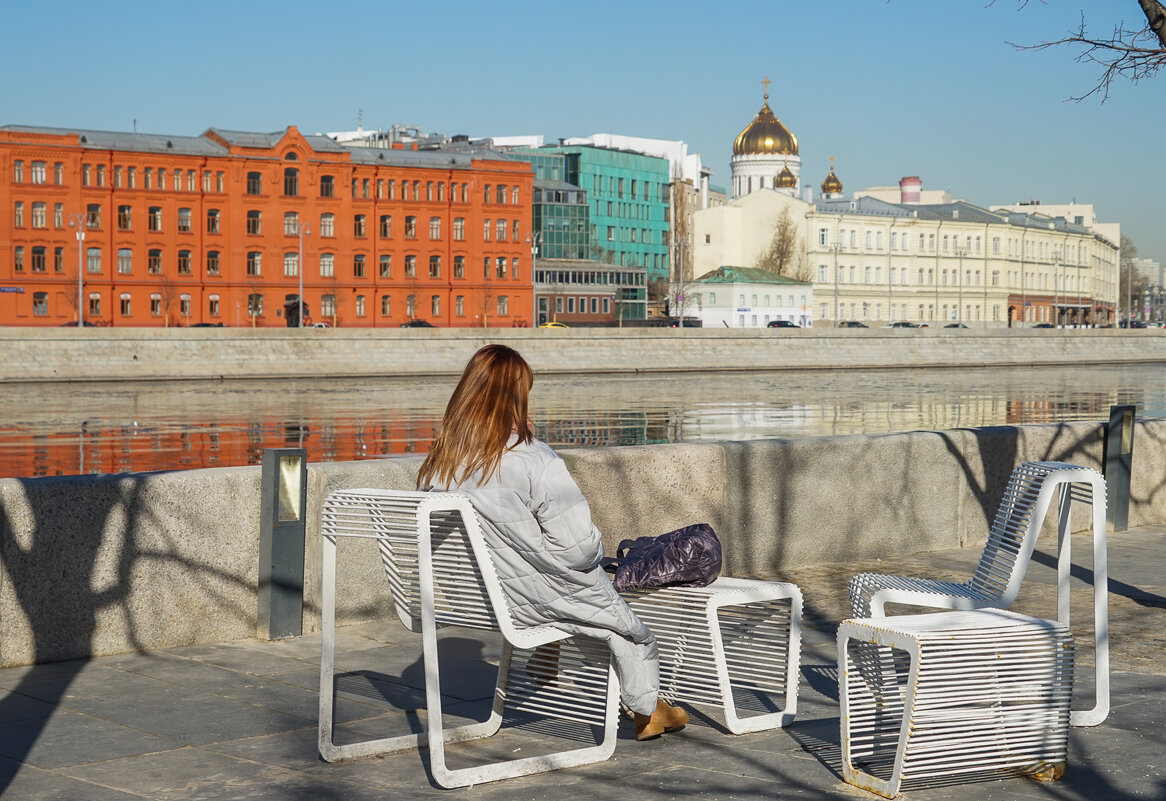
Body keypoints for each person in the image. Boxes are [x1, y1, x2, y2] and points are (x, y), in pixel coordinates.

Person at [417, 344, 688, 740]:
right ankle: (649, 709)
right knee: (622, 623)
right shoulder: (533, 459)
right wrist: (598, 554)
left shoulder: (438, 463)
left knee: (583, 601)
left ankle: (559, 657)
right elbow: (577, 549)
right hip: (525, 603)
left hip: (469, 599)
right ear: (516, 398)